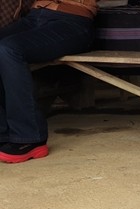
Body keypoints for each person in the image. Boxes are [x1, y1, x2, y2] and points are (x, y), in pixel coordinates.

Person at [0, 0, 96, 163]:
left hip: (72, 20)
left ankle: (29, 137)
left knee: (9, 49)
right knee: (6, 48)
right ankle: (3, 134)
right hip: (34, 16)